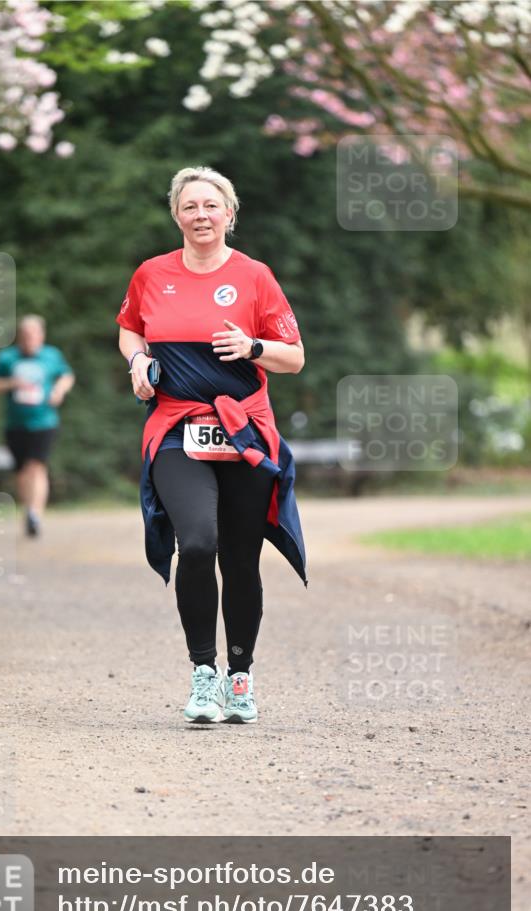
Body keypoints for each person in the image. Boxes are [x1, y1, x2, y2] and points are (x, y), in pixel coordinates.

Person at [117, 166, 307, 725]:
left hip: (244, 428)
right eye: (190, 206)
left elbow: (293, 357)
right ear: (176, 215)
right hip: (177, 426)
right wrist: (137, 361)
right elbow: (130, 327)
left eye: (211, 205)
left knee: (240, 558)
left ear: (230, 213)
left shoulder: (255, 277)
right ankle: (203, 674)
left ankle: (240, 677)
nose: (201, 215)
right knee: (197, 544)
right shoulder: (152, 274)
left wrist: (251, 346)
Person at [0, 315, 75, 537]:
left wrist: (59, 390)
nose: (29, 340)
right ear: (20, 336)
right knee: (21, 472)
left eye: (33, 335)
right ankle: (28, 509)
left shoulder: (51, 355)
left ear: (41, 335)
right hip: (15, 424)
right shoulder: (7, 358)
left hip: (45, 421)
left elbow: (67, 376)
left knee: (36, 466)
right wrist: (12, 383)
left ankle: (35, 514)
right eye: (25, 336)